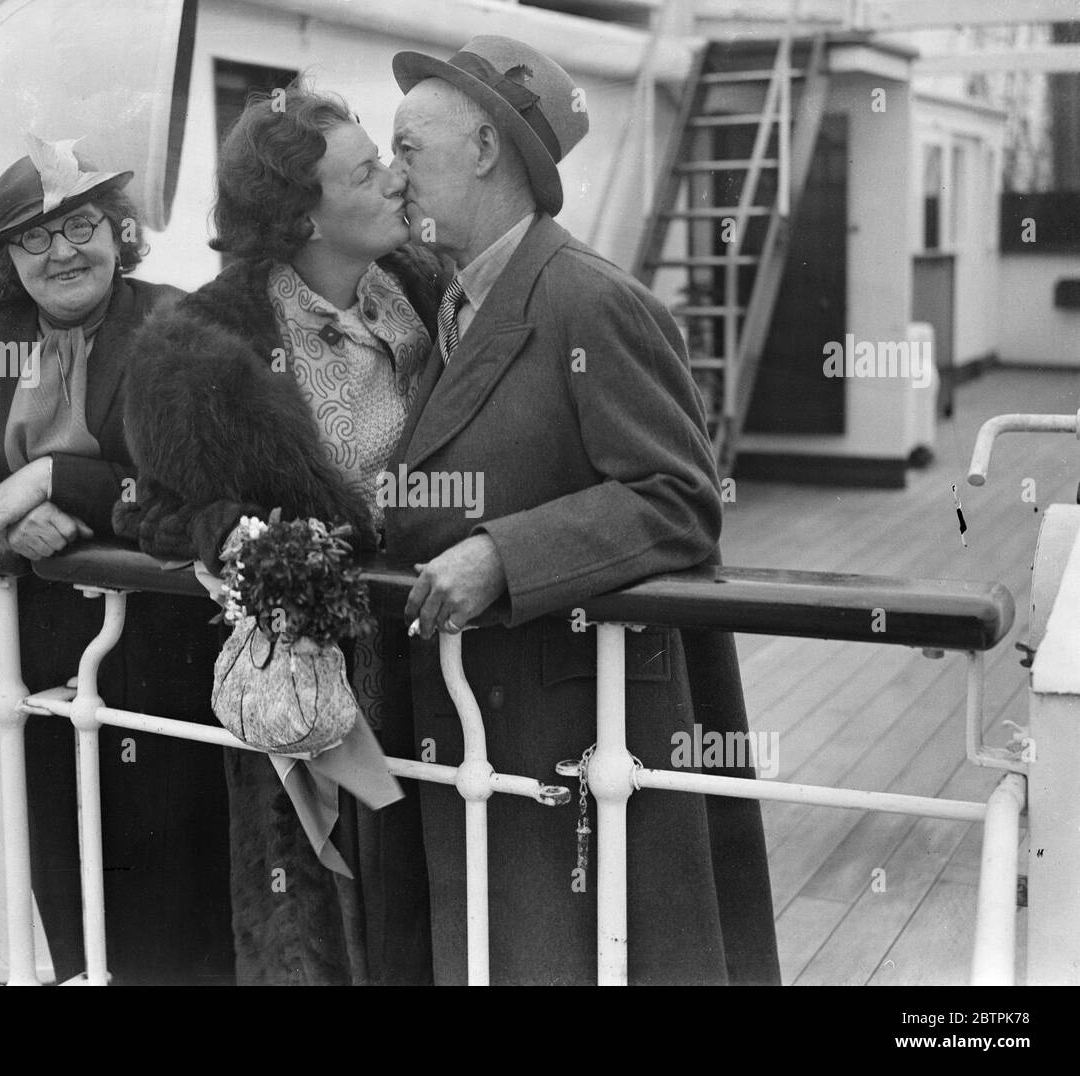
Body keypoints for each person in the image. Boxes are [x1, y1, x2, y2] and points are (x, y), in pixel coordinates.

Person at [384, 36, 782, 985]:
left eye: (408, 149)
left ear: (485, 147)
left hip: (576, 724)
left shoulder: (590, 302)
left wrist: (501, 556)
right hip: (489, 717)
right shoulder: (456, 302)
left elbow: (680, 498)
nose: (394, 176)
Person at [0, 136, 235, 985]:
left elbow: (196, 490)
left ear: (118, 230)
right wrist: (0, 517)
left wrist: (61, 483)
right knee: (70, 871)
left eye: (81, 225)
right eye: (34, 238)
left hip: (158, 650)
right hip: (25, 646)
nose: (62, 251)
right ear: (7, 261)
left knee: (175, 881)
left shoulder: (174, 325)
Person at [116, 83, 443, 985]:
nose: (396, 184)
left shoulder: (425, 286)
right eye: (369, 171)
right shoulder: (205, 350)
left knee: (448, 909)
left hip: (451, 658)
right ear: (301, 217)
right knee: (318, 921)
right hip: (319, 690)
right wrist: (236, 535)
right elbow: (160, 507)